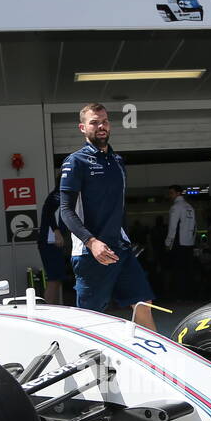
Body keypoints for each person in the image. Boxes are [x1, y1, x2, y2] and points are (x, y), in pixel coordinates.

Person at [57, 103, 157, 331]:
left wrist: (125, 238)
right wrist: (91, 242)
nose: (101, 126)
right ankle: (88, 365)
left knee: (143, 303)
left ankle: (152, 363)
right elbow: (66, 210)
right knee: (91, 319)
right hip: (90, 253)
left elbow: (118, 208)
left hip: (120, 249)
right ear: (83, 127)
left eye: (104, 121)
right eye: (94, 122)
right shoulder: (75, 162)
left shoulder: (118, 162)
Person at [37, 174, 71, 304]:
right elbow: (48, 213)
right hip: (50, 243)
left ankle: (53, 307)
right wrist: (56, 231)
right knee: (53, 278)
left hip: (54, 244)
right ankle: (49, 308)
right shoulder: (56, 196)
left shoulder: (61, 196)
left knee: (57, 278)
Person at [164, 185, 196, 300]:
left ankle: (179, 294)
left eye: (171, 193)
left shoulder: (176, 207)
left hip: (178, 243)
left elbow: (172, 227)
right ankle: (189, 294)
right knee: (188, 269)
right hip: (189, 243)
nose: (170, 195)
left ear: (178, 193)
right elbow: (194, 227)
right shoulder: (190, 207)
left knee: (178, 271)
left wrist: (168, 242)